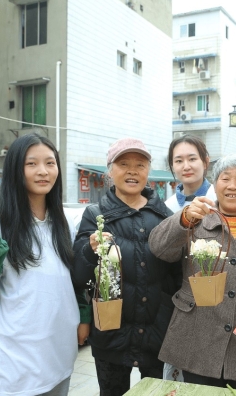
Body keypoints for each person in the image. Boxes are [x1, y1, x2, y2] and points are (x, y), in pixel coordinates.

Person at [148, 154, 236, 394]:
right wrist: (182, 219)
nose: (233, 185)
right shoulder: (195, 222)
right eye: (225, 178)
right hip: (198, 341)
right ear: (216, 185)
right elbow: (159, 248)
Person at [0, 133, 80, 396]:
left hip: (58, 357)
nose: (43, 171)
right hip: (11, 364)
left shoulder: (64, 221)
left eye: (50, 162)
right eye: (31, 163)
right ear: (15, 169)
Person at [72, 138, 178, 396]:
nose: (132, 171)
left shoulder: (165, 215)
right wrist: (89, 250)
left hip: (156, 331)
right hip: (110, 333)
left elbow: (175, 275)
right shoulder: (94, 215)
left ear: (148, 171)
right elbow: (80, 274)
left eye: (140, 165)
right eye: (123, 164)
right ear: (110, 171)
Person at [165, 134, 236, 215]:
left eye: (192, 159)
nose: (186, 166)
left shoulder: (223, 196)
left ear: (206, 162)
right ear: (172, 166)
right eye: (179, 161)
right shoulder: (168, 206)